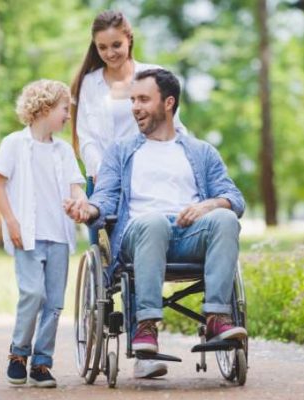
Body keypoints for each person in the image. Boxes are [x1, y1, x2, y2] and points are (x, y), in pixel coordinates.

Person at [65, 69, 248, 361]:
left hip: (190, 235)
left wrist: (208, 206)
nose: (135, 107)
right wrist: (89, 208)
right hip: (140, 237)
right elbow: (106, 198)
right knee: (154, 221)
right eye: (133, 100)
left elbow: (235, 199)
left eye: (143, 99)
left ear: (168, 103)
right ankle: (145, 325)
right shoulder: (121, 151)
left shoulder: (202, 152)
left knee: (226, 218)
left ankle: (216, 317)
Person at [70, 9, 185, 378]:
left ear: (129, 38)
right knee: (110, 266)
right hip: (105, 180)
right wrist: (104, 173)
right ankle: (107, 329)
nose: (110, 53)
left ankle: (144, 350)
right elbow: (86, 135)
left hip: (149, 178)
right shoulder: (90, 83)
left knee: (141, 257)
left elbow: (173, 122)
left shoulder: (151, 75)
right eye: (102, 47)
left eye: (116, 45)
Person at [0, 79, 87, 387]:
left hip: (59, 234)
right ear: (45, 108)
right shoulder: (14, 144)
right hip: (28, 235)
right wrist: (11, 222)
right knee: (33, 294)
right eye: (64, 109)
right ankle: (19, 353)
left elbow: (76, 186)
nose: (68, 116)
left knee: (54, 303)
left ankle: (42, 362)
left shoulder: (63, 151)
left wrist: (80, 202)